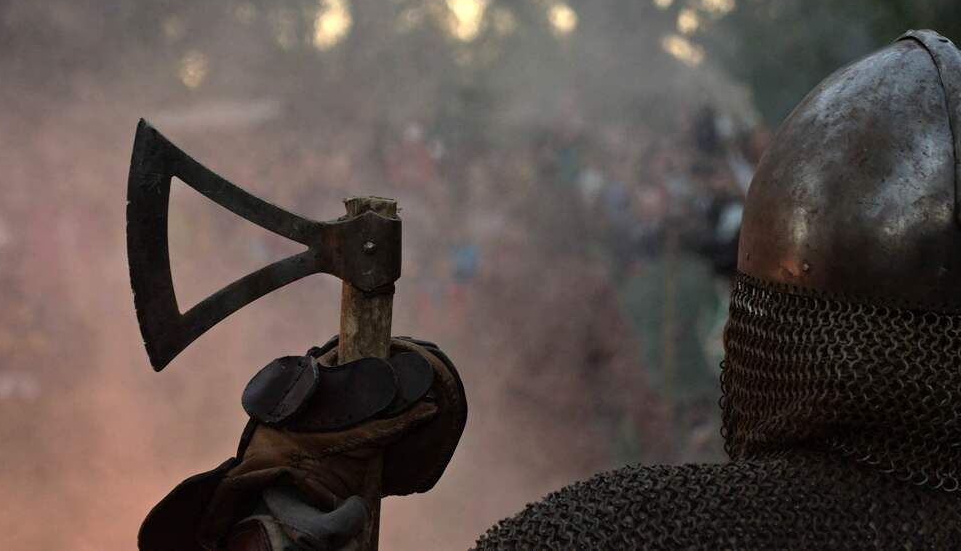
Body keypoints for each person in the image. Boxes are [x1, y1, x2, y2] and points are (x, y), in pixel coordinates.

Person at [140, 29, 961, 550]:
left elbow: (475, 364)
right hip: (555, 448)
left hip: (536, 462)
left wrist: (275, 520)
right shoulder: (581, 301)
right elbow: (620, 387)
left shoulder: (626, 534)